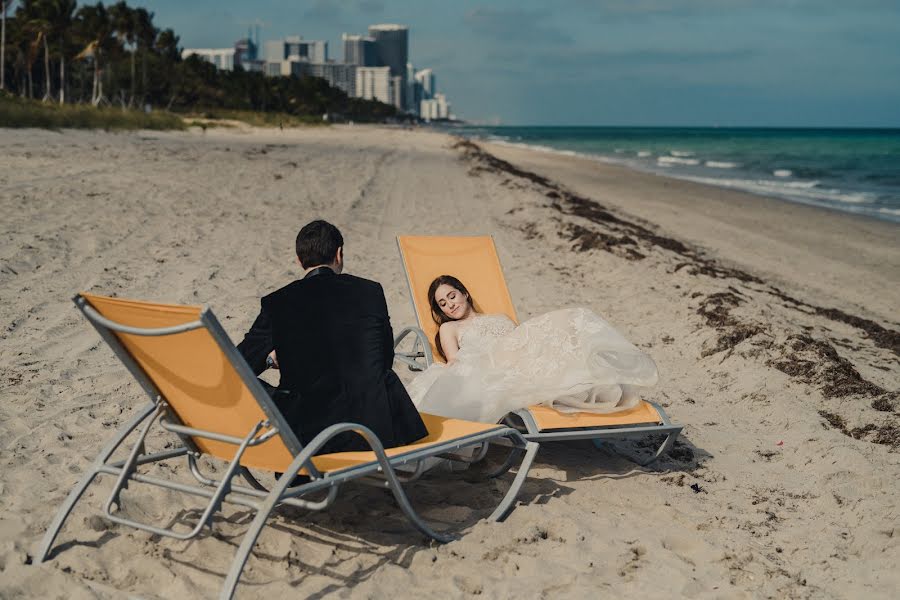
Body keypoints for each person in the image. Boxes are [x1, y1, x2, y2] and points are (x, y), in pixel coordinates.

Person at [237, 220, 427, 454]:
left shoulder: (278, 302)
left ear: (299, 260)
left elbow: (238, 366)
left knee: (245, 384)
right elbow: (384, 358)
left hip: (313, 436)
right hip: (376, 431)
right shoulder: (371, 291)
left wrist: (270, 360)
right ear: (339, 254)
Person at [405, 275, 659, 424]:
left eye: (452, 296)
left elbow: (522, 339)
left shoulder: (500, 316)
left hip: (521, 356)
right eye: (442, 303)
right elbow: (455, 361)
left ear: (465, 294)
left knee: (573, 318)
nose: (449, 305)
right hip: (492, 362)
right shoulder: (449, 329)